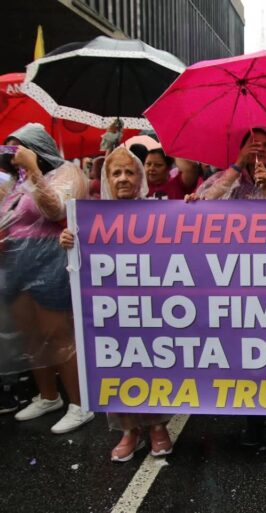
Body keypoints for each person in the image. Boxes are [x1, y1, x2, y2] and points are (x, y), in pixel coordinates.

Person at [59, 147, 174, 461]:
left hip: (151, 310)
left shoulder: (160, 213)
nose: (123, 179)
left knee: (152, 365)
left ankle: (156, 426)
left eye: (130, 172)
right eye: (116, 173)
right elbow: (79, 266)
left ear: (141, 177)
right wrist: (69, 242)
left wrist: (190, 209)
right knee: (117, 366)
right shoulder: (88, 218)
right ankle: (128, 429)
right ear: (107, 179)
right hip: (110, 312)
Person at [192, 127, 266, 447]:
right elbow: (201, 204)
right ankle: (253, 419)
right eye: (253, 145)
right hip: (236, 285)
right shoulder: (227, 184)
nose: (261, 150)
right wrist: (238, 166)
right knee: (246, 355)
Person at [0, 123, 92, 434]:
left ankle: (80, 404)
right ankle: (48, 396)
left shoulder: (68, 173)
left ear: (35, 148)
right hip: (18, 260)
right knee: (32, 336)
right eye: (9, 149)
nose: (13, 156)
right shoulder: (16, 182)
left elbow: (55, 210)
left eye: (18, 149)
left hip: (49, 260)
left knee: (58, 334)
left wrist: (34, 170)